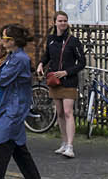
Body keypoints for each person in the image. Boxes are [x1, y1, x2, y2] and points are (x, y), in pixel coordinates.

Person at [0, 24, 42, 179]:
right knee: (20, 152)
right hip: (10, 106)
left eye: (5, 38)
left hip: (13, 109)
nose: (2, 41)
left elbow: (2, 79)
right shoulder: (13, 56)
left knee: (1, 153)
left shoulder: (19, 59)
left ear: (14, 40)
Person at [38, 11, 85, 158]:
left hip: (69, 81)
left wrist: (67, 72)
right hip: (54, 81)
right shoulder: (51, 39)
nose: (63, 23)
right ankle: (63, 142)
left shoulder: (73, 41)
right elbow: (47, 55)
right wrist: (40, 64)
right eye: (60, 21)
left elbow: (82, 62)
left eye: (65, 21)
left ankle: (70, 146)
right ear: (55, 23)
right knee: (59, 113)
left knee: (67, 112)